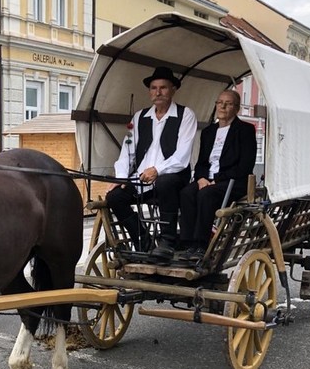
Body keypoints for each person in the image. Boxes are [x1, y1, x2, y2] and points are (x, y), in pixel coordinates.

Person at [105, 66, 197, 261]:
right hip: (142, 178)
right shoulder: (140, 117)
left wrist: (157, 170)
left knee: (164, 182)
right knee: (114, 197)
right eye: (154, 88)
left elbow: (182, 156)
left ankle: (167, 241)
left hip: (174, 177)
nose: (158, 92)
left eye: (163, 88)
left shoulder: (185, 115)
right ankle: (142, 238)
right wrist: (121, 177)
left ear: (173, 90)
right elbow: (127, 151)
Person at [178, 89, 257, 262]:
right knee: (186, 193)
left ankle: (201, 245)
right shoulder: (208, 132)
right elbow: (201, 162)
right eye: (219, 102)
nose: (222, 106)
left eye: (228, 103)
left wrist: (217, 180)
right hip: (208, 180)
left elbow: (245, 165)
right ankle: (187, 244)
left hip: (233, 181)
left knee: (206, 194)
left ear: (236, 108)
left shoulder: (245, 130)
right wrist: (201, 178)